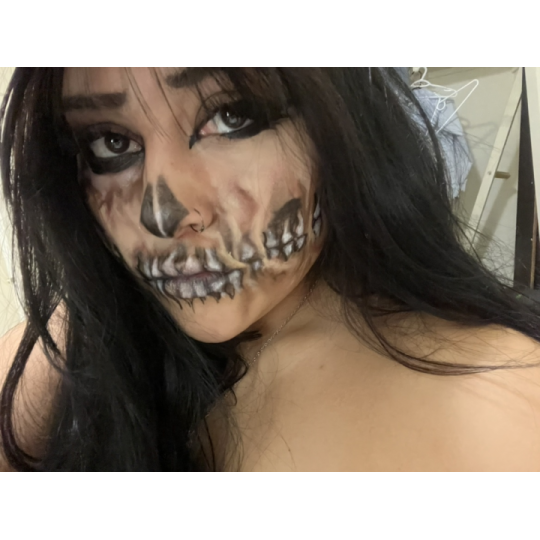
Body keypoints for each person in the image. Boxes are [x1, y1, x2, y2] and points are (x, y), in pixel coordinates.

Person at [1, 67, 540, 472]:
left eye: (231, 116)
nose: (163, 214)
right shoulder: (76, 339)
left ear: (341, 124)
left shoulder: (499, 415)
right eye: (111, 142)